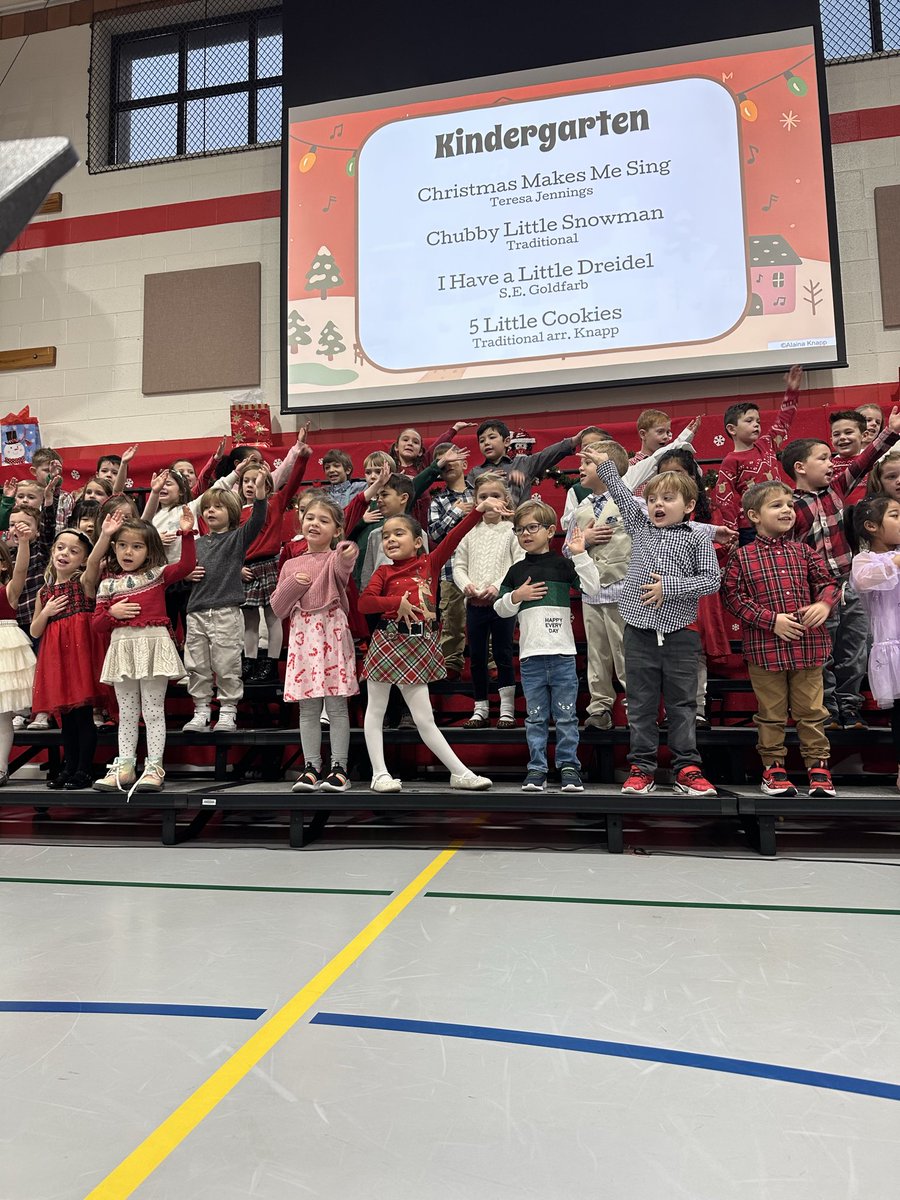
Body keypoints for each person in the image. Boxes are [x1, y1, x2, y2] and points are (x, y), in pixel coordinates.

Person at [584, 448, 722, 796]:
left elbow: (711, 580)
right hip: (639, 632)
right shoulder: (639, 525)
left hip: (680, 635)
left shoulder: (697, 538)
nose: (657, 505)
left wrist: (670, 587)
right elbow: (618, 490)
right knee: (641, 704)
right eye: (653, 499)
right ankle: (641, 767)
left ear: (689, 506)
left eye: (668, 499)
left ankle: (686, 767)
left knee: (682, 704)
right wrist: (604, 463)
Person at [358, 494, 508, 793]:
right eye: (386, 536)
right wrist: (393, 602)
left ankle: (459, 772)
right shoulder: (383, 571)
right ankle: (379, 773)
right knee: (376, 710)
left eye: (398, 533)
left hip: (417, 646)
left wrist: (478, 509)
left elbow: (455, 536)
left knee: (424, 717)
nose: (390, 539)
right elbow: (364, 603)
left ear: (417, 542)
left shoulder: (430, 562)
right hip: (387, 642)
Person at [781, 409, 900, 728]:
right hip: (819, 593)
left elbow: (862, 464)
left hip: (850, 585)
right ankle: (829, 708)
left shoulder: (835, 491)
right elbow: (790, 554)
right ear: (801, 467)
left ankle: (850, 706)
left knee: (856, 647)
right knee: (824, 652)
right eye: (823, 457)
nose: (832, 461)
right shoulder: (790, 508)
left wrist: (889, 434)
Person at [722, 481, 839, 798]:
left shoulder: (804, 552)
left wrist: (824, 604)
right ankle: (773, 768)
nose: (786, 510)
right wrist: (771, 620)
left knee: (812, 712)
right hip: (766, 652)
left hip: (807, 649)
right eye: (776, 505)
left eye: (789, 504)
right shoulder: (742, 557)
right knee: (771, 714)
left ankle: (818, 767)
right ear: (753, 516)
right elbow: (732, 597)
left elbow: (829, 583)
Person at [495, 499, 599, 791]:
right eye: (519, 530)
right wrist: (517, 595)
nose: (525, 534)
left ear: (551, 530)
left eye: (532, 528)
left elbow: (592, 588)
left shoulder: (564, 565)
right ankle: (537, 768)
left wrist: (580, 556)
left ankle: (569, 768)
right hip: (531, 658)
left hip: (563, 655)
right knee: (535, 717)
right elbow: (500, 609)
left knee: (566, 715)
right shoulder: (516, 572)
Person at [92, 510, 197, 795]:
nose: (129, 551)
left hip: (153, 646)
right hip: (123, 649)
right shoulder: (108, 584)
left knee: (152, 711)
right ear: (114, 548)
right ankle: (125, 767)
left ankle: (154, 767)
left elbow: (187, 565)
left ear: (149, 551)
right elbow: (98, 623)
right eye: (123, 545)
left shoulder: (158, 575)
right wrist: (112, 613)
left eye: (137, 546)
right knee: (126, 713)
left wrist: (186, 534)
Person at [271, 497, 359, 792]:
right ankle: (310, 767)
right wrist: (294, 583)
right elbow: (279, 607)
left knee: (336, 707)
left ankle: (339, 768)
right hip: (302, 637)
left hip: (332, 635)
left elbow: (345, 565)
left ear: (337, 530)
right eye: (310, 518)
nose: (315, 523)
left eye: (324, 520)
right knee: (307, 710)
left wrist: (347, 552)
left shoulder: (335, 557)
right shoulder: (292, 563)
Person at [181, 475, 268, 732]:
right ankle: (201, 711)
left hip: (225, 611)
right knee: (197, 665)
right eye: (206, 507)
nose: (210, 511)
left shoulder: (236, 538)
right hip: (196, 612)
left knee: (227, 663)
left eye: (217, 507)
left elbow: (258, 520)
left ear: (231, 512)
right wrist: (185, 574)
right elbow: (179, 571)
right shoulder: (195, 543)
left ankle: (228, 710)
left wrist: (260, 495)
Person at [30, 526, 109, 789]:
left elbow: (97, 559)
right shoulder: (45, 592)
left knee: (83, 716)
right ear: (52, 552)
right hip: (57, 661)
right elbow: (35, 629)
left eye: (74, 551)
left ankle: (84, 770)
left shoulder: (83, 583)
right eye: (61, 548)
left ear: (83, 559)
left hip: (80, 658)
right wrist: (47, 611)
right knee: (67, 721)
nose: (65, 553)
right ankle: (68, 767)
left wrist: (106, 534)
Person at [563, 441, 631, 731]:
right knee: (597, 653)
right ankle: (600, 706)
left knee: (625, 651)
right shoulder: (582, 507)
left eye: (588, 463)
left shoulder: (629, 501)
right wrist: (585, 541)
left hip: (623, 590)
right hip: (592, 593)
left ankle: (636, 706)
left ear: (607, 468)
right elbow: (568, 549)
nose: (580, 467)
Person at [453, 473, 523, 728]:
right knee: (478, 657)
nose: (490, 501)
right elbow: (458, 564)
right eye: (483, 497)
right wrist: (466, 585)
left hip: (501, 603)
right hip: (475, 604)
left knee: (504, 653)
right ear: (475, 501)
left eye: (495, 496)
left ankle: (507, 708)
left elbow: (518, 562)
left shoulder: (511, 531)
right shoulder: (469, 532)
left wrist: (498, 587)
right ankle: (480, 706)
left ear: (505, 499)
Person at [238, 439, 310, 684]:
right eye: (246, 481)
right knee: (249, 621)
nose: (250, 485)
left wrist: (302, 456)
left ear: (268, 484)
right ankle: (249, 662)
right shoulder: (236, 511)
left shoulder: (276, 502)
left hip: (269, 564)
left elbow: (294, 482)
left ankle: (270, 662)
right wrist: (237, 567)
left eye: (256, 481)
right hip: (246, 569)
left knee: (272, 616)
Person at [560, 417, 700, 529]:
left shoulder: (627, 480)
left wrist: (684, 437)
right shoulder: (582, 497)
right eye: (584, 447)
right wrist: (586, 537)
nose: (581, 468)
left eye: (590, 461)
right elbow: (567, 526)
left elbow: (656, 458)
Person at [715, 365, 803, 542]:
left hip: (780, 518)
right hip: (751, 527)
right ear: (732, 429)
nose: (756, 425)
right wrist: (733, 531)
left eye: (758, 421)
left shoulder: (766, 444)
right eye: (749, 421)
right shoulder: (731, 460)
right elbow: (724, 496)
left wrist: (792, 391)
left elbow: (783, 422)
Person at [852, 495, 900, 790]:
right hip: (892, 646)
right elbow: (866, 580)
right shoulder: (864, 560)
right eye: (895, 515)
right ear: (872, 526)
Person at [428, 442, 475, 681]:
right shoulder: (438, 501)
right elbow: (435, 534)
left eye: (453, 459)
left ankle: (489, 662)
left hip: (479, 566)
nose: (448, 464)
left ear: (465, 464)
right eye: (442, 462)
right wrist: (456, 512)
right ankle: (451, 664)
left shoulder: (479, 493)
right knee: (451, 620)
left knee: (483, 618)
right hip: (449, 571)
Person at [469, 418, 586, 508]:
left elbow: (546, 455)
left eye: (492, 437)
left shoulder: (523, 463)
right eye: (482, 440)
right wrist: (485, 480)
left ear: (507, 441)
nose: (486, 443)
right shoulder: (476, 472)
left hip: (518, 527)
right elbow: (469, 502)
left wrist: (573, 441)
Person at [0, 528, 36, 786]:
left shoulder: (8, 592)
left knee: (2, 717)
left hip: (5, 653)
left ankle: (1, 767)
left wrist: (23, 543)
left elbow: (21, 570)